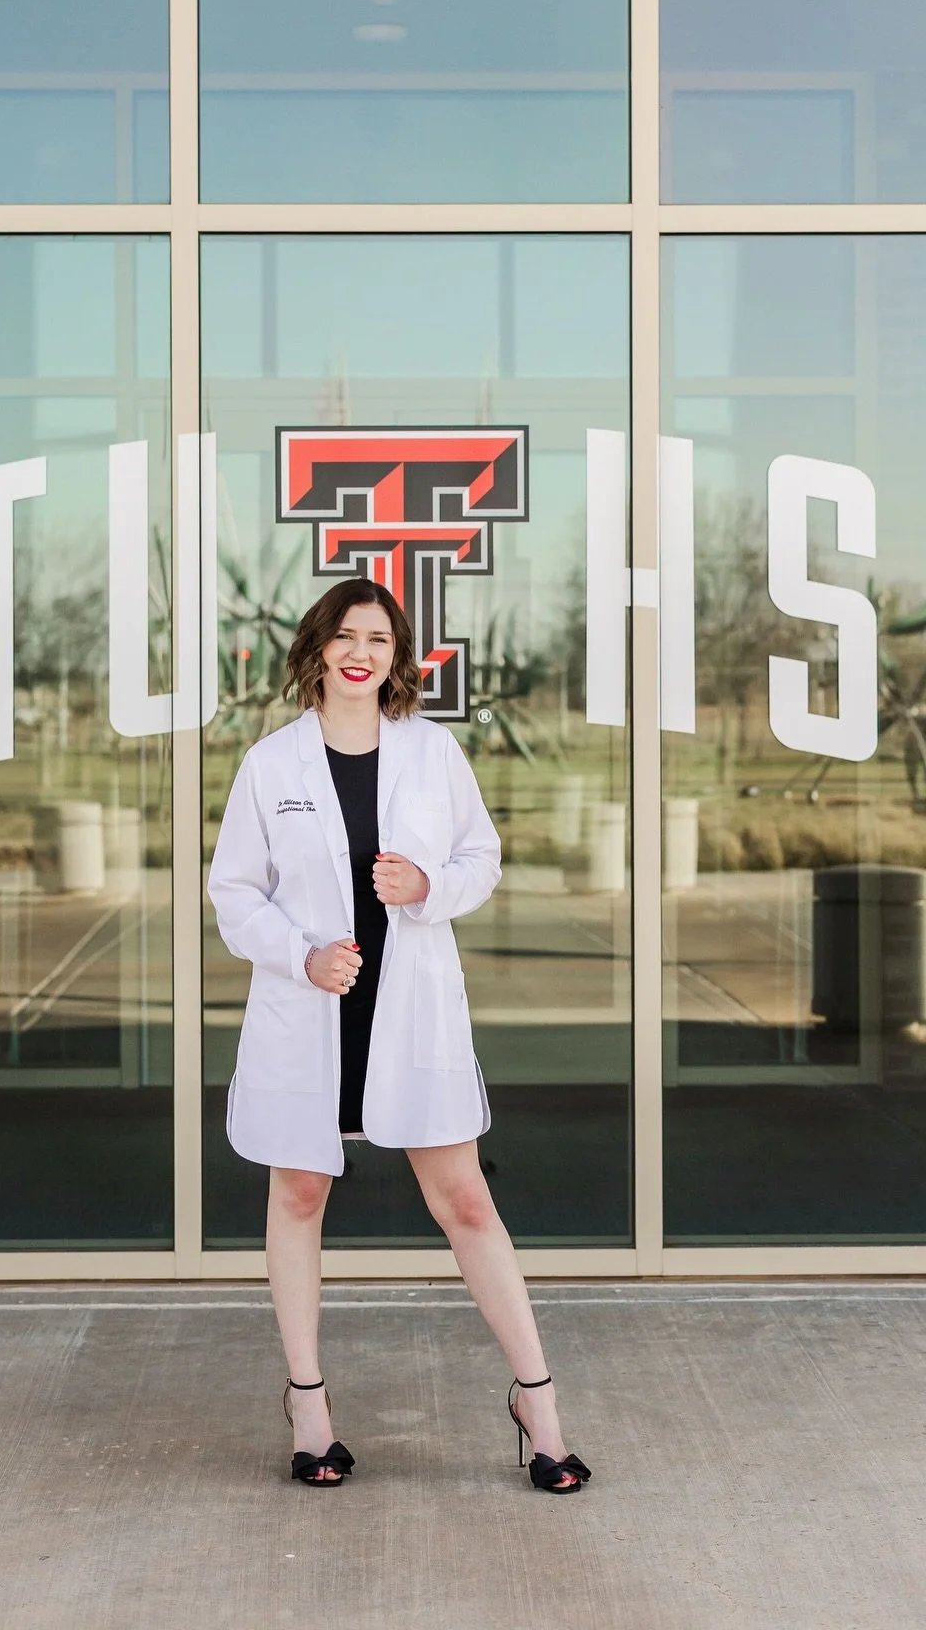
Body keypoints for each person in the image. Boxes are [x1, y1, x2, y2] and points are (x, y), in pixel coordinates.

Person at [208, 579, 590, 1494]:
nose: (360, 653)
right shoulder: (271, 764)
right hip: (314, 1007)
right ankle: (309, 1407)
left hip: (409, 1007)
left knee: (466, 1202)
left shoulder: (431, 750)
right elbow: (234, 893)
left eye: (378, 639)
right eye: (345, 636)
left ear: (396, 656)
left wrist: (427, 886)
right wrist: (300, 958)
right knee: (300, 1193)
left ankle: (538, 1405)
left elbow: (480, 857)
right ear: (318, 648)